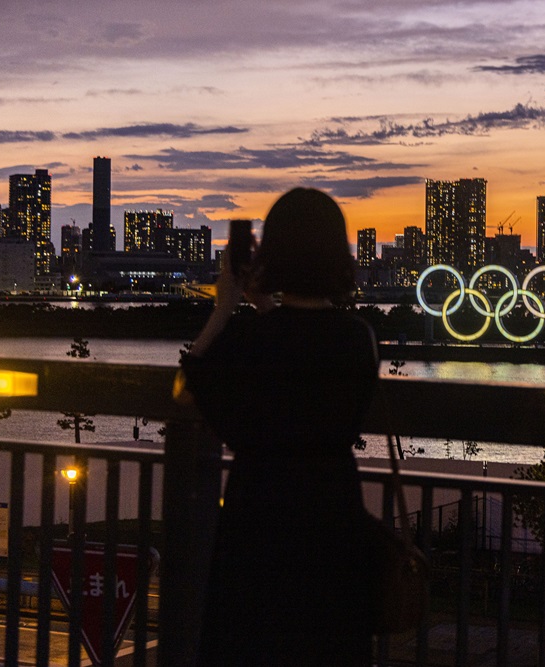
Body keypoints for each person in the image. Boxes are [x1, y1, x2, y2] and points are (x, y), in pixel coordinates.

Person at [177, 188, 378, 665]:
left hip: (259, 516)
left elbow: (186, 392)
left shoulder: (251, 339)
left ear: (272, 254)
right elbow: (311, 351)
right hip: (331, 513)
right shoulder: (358, 337)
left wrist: (224, 308)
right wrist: (265, 305)